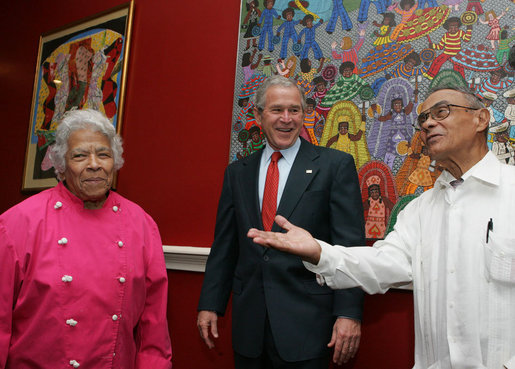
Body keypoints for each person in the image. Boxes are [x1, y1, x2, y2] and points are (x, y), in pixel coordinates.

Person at [248, 84, 515, 368]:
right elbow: (382, 264)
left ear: (481, 119)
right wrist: (318, 252)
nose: (428, 124)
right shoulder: (420, 210)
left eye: (442, 112)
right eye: (423, 119)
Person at [197, 75, 365, 369]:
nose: (286, 119)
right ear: (258, 115)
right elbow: (225, 244)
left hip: (308, 326)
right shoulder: (238, 172)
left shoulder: (334, 166)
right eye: (276, 110)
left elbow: (349, 246)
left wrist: (348, 314)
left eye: (295, 110)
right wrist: (211, 304)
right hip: (249, 325)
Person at [0, 109, 173, 368]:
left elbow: (153, 323)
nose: (94, 164)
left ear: (115, 161)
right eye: (80, 155)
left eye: (103, 154)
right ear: (61, 164)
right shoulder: (18, 223)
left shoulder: (141, 223)